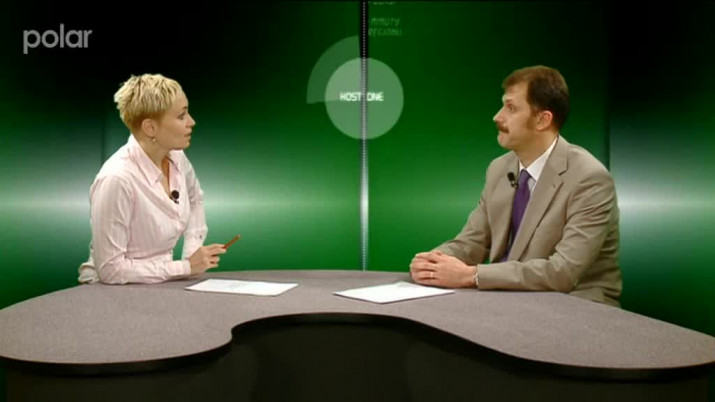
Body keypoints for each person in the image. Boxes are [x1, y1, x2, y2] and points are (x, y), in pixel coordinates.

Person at [409, 66, 622, 307]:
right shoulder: (499, 169)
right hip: (510, 301)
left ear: (543, 120)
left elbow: (563, 272)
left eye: (511, 108)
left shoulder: (589, 179)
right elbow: (473, 241)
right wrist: (433, 262)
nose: (497, 117)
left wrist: (472, 275)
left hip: (576, 306)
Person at [78, 74, 226, 285]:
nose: (191, 122)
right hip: (110, 291)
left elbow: (195, 199)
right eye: (181, 116)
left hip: (159, 284)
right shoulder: (117, 179)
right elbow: (111, 270)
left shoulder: (177, 157)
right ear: (150, 128)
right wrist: (184, 267)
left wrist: (192, 253)